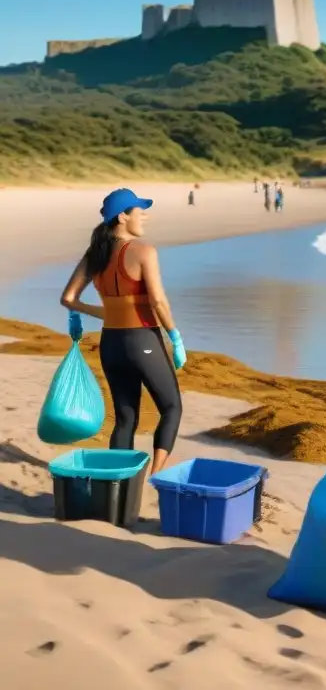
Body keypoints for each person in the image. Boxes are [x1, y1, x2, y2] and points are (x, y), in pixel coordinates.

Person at [59, 188, 187, 475]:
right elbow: (157, 301)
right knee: (171, 408)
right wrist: (175, 337)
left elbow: (68, 298)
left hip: (111, 343)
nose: (145, 216)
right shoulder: (144, 251)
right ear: (123, 216)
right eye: (140, 211)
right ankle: (156, 475)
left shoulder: (95, 254)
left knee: (125, 418)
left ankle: (116, 481)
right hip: (142, 339)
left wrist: (91, 315)